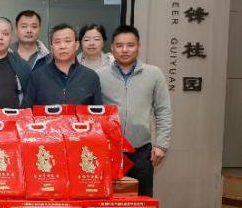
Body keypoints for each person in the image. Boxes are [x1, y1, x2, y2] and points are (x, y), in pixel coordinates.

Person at [98, 26, 172, 196]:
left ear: (139, 46)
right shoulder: (99, 75)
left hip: (141, 152)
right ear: (112, 48)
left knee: (142, 202)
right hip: (108, 152)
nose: (124, 50)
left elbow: (163, 111)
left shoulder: (154, 74)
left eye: (130, 45)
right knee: (107, 202)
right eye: (119, 45)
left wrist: (161, 145)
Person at [22, 24, 102, 107]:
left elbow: (98, 112)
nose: (62, 46)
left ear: (77, 45)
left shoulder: (91, 77)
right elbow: (26, 110)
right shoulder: (37, 76)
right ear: (51, 47)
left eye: (67, 41)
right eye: (57, 42)